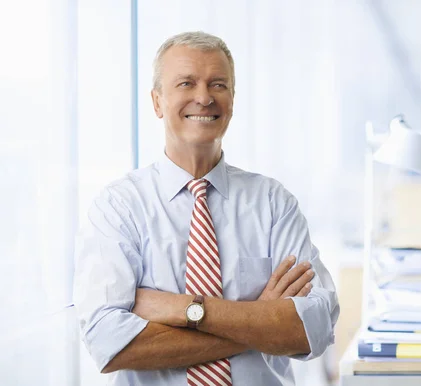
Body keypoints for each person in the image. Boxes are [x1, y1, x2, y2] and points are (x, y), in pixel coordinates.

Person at [73, 31, 339, 386]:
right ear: (157, 102)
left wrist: (184, 309)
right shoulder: (119, 208)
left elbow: (313, 328)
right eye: (186, 83)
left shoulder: (274, 203)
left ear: (232, 99)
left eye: (218, 85)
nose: (203, 98)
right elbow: (109, 344)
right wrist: (260, 318)